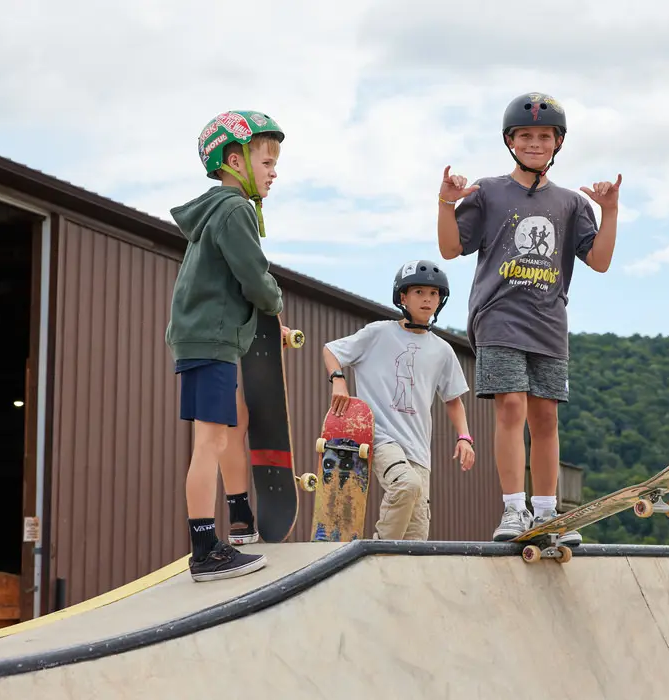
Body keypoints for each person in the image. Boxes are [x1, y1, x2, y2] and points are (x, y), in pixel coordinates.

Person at [435, 92, 622, 543]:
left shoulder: (571, 204)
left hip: (549, 323)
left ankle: (546, 514)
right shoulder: (489, 191)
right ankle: (514, 510)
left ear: (557, 142)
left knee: (545, 418)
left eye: (544, 136)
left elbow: (599, 260)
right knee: (512, 407)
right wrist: (445, 203)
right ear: (510, 141)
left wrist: (610, 210)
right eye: (525, 135)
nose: (534, 142)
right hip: (498, 316)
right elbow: (449, 249)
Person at [166, 110, 292, 582]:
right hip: (213, 338)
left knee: (222, 431)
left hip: (201, 335)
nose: (273, 171)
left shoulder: (214, 212)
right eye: (267, 160)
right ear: (234, 159)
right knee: (211, 441)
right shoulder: (236, 209)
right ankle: (205, 552)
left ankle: (233, 526)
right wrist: (274, 301)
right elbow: (256, 280)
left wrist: (265, 320)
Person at [322, 260, 476, 541]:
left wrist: (464, 437)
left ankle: (389, 575)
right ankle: (376, 550)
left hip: (419, 449)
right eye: (418, 292)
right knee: (405, 485)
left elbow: (453, 399)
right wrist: (338, 380)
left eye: (433, 293)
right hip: (380, 437)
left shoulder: (443, 350)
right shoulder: (377, 333)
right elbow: (331, 350)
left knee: (416, 538)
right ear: (403, 298)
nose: (427, 299)